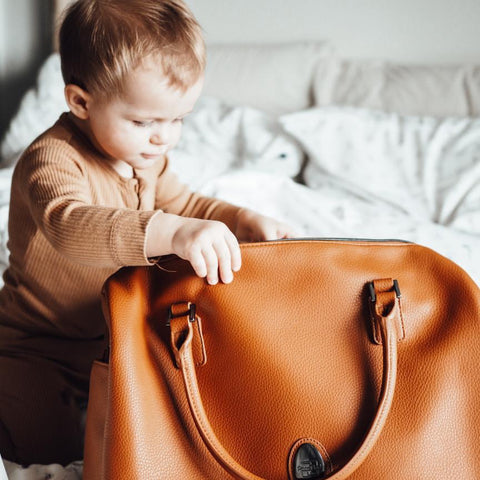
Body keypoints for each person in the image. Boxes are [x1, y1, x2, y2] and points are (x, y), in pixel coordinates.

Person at [0, 0, 294, 466]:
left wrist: (239, 219)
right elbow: (70, 225)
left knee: (168, 432)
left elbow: (186, 205)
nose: (164, 138)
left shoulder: (147, 158)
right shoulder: (51, 160)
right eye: (143, 122)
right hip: (37, 348)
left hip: (116, 338)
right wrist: (171, 233)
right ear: (80, 102)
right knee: (48, 452)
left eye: (178, 119)